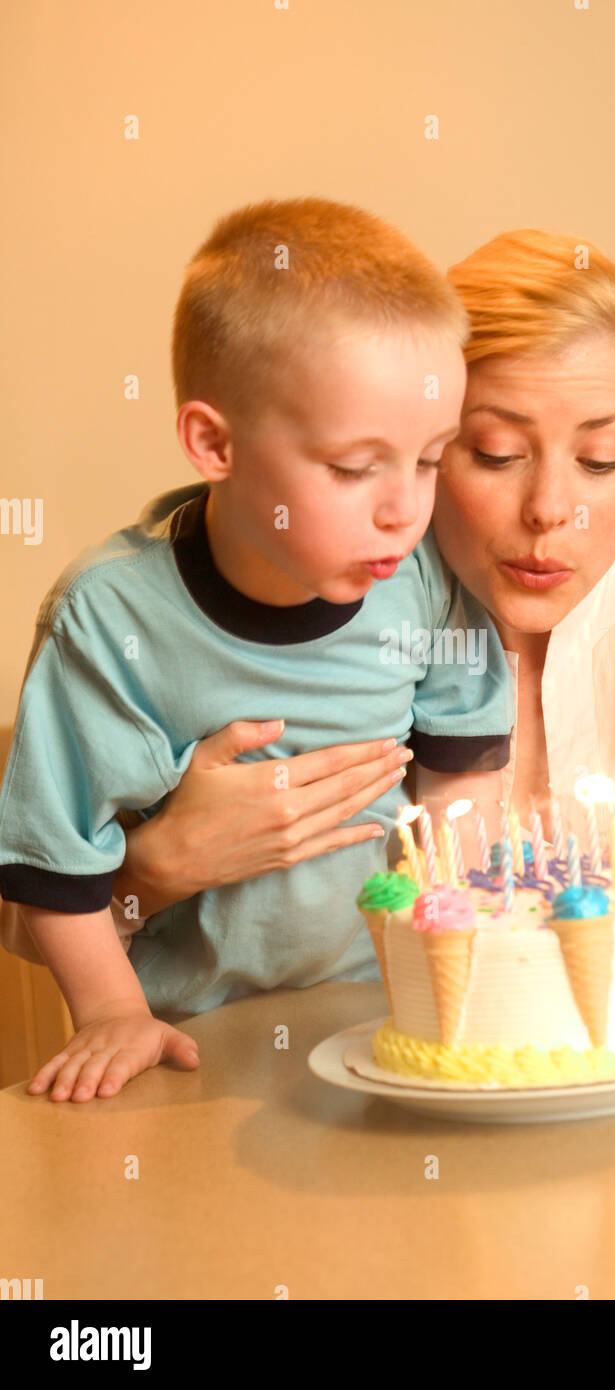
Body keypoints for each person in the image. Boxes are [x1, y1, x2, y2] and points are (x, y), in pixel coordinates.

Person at [112, 227, 615, 995]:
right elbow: (38, 910)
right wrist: (156, 868)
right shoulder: (319, 598)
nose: (549, 510)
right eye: (498, 453)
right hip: (419, 1086)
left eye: (601, 461)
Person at [0, 198, 514, 1102]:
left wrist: (459, 922)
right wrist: (112, 1010)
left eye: (430, 459)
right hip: (193, 1042)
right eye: (356, 468)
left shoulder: (424, 579)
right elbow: (55, 856)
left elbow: (461, 770)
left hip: (386, 1024)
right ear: (214, 444)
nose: (405, 507)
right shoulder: (110, 618)